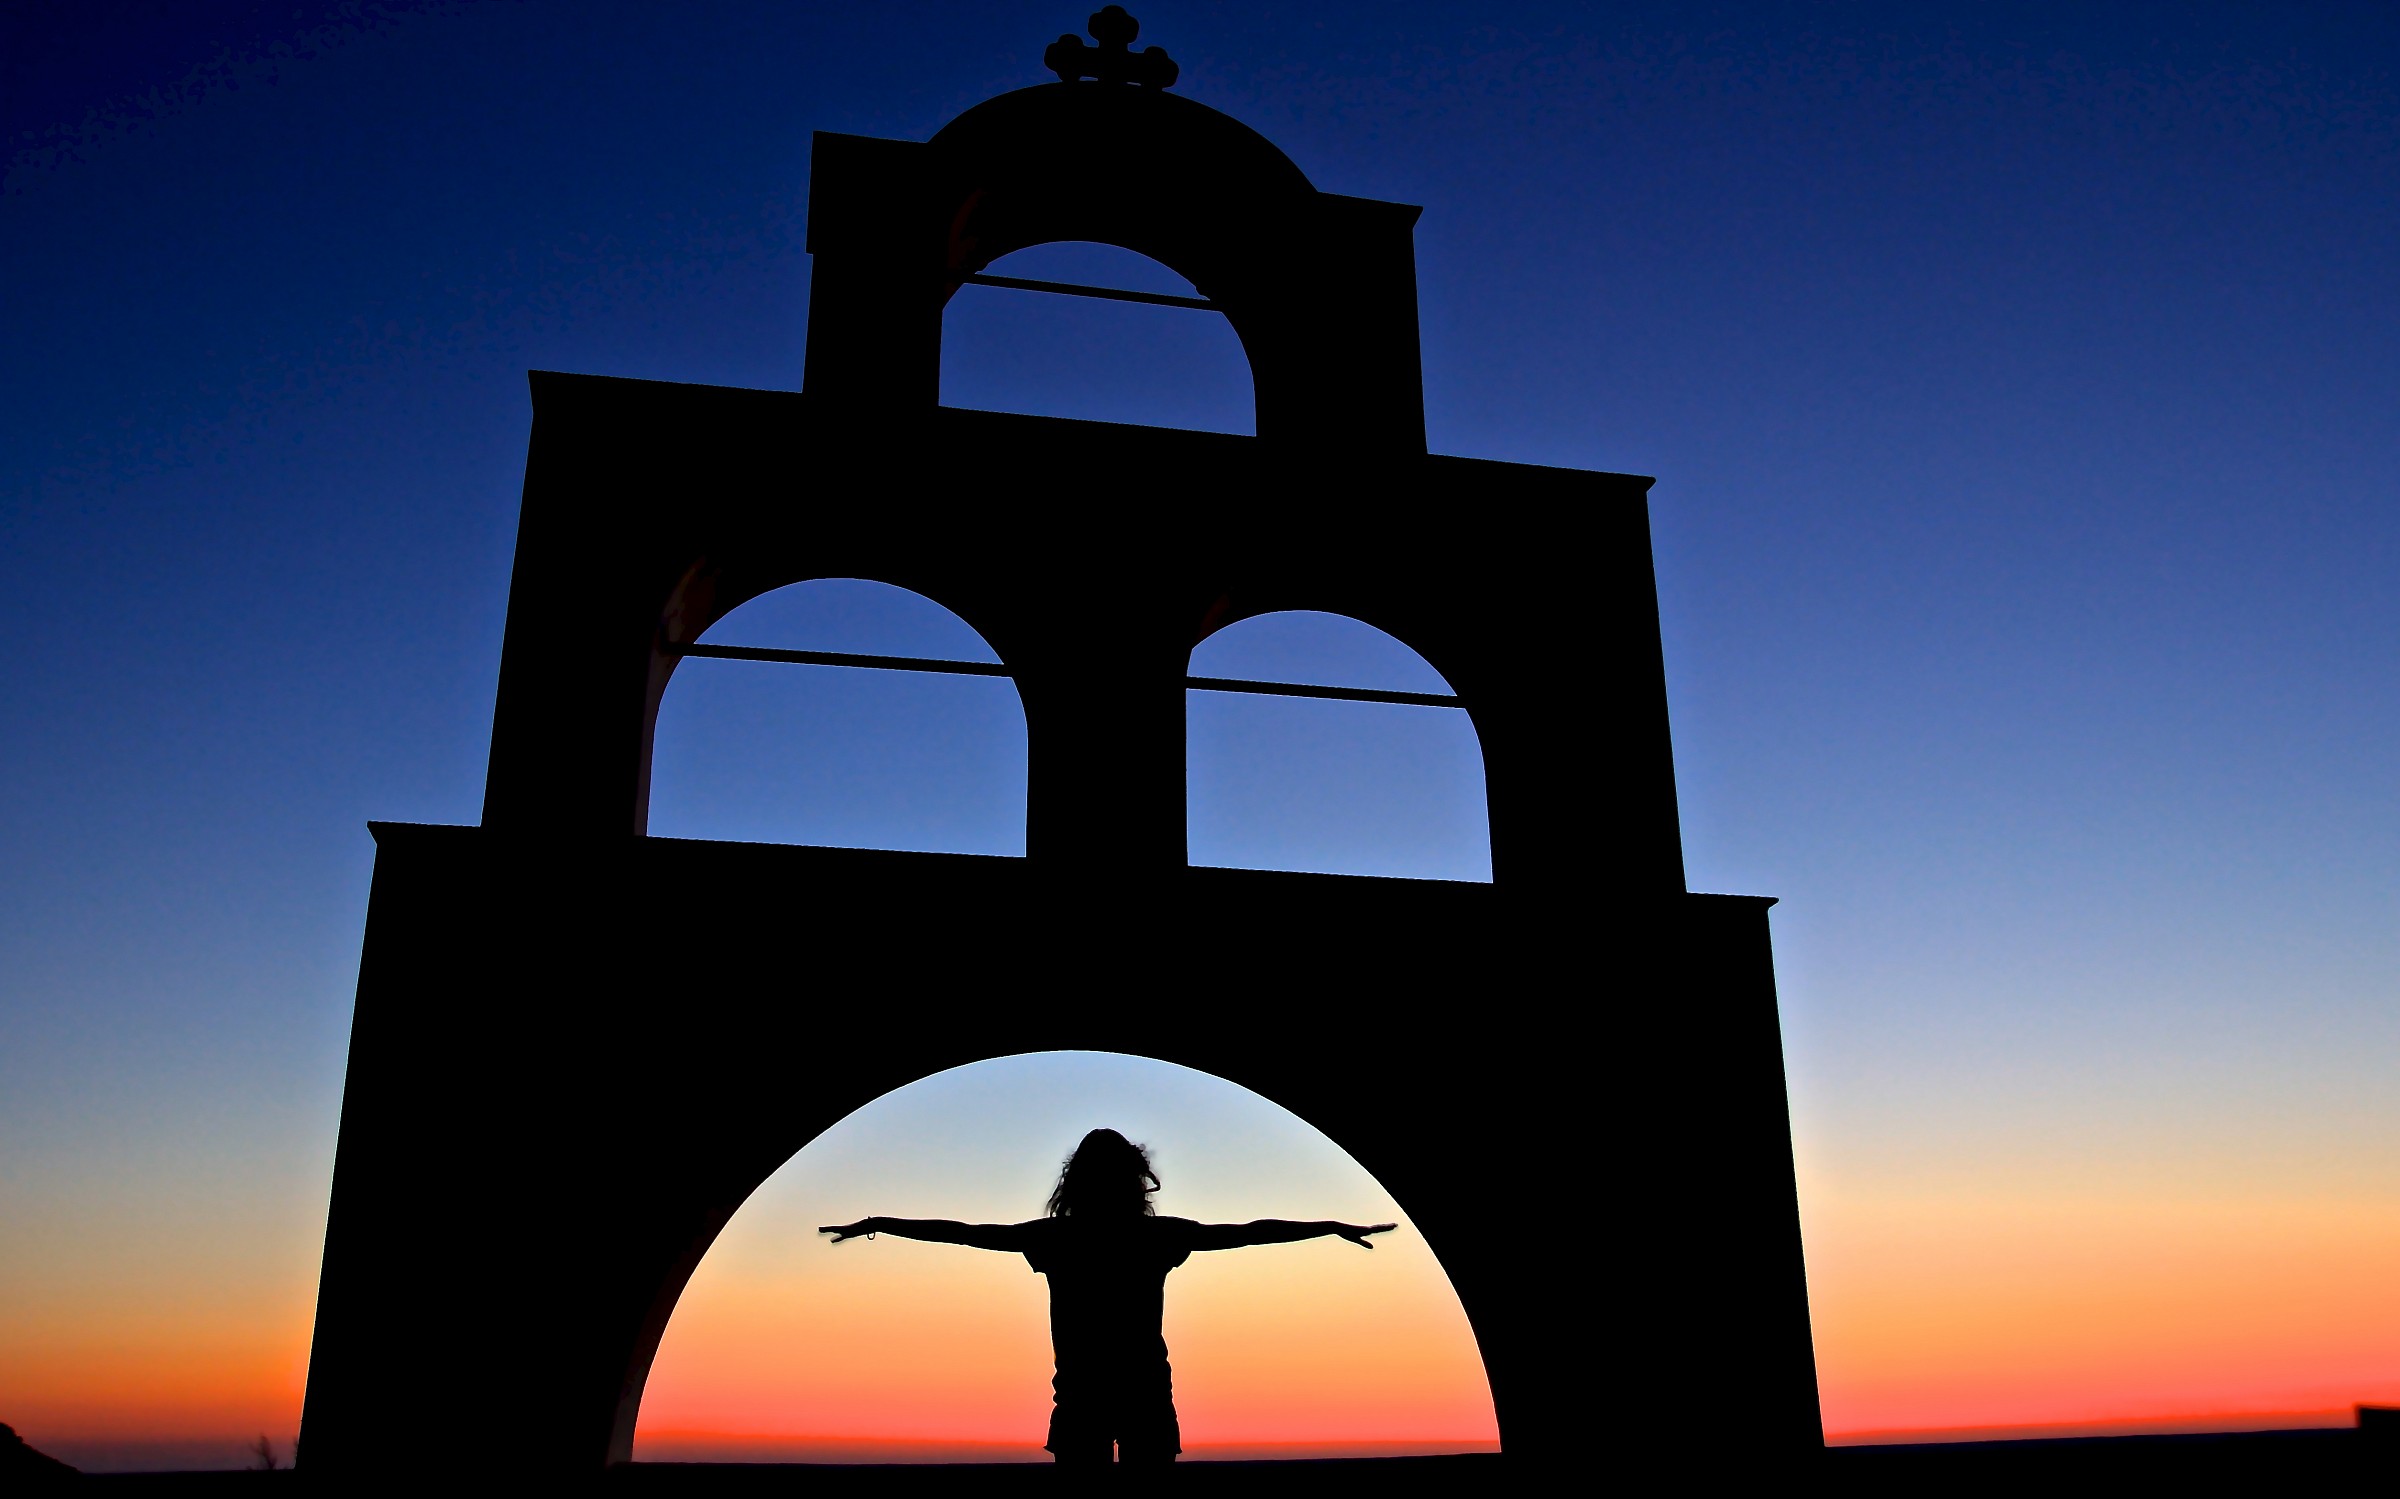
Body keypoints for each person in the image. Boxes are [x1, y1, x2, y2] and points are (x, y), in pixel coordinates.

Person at [820, 1127, 1395, 1465]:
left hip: (1085, 1401)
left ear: (1075, 1182)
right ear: (1134, 1179)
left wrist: (882, 1222)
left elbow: (959, 1232)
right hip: (1136, 1398)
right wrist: (1329, 1227)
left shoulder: (1056, 1238)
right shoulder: (1154, 1236)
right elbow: (1251, 1231)